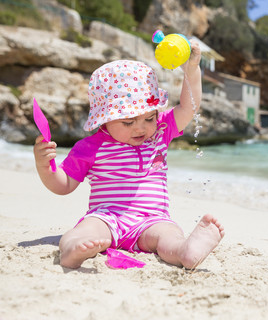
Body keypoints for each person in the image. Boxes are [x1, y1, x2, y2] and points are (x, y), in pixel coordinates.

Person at [33, 41, 224, 270]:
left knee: (169, 235)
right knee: (84, 231)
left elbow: (188, 108)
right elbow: (64, 185)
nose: (140, 128)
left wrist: (192, 71)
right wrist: (45, 166)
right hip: (106, 216)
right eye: (128, 121)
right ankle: (73, 250)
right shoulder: (90, 147)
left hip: (152, 219)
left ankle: (186, 251)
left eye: (149, 118)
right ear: (104, 118)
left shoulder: (161, 132)